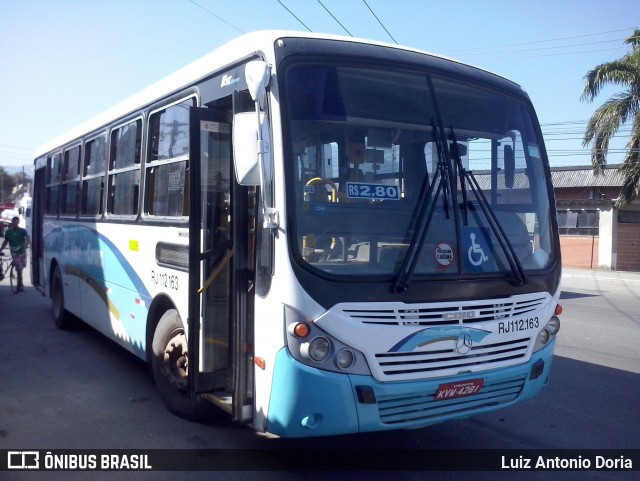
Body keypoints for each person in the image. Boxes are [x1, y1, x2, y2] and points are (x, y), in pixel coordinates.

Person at [1, 216, 30, 291]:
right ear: (12, 223)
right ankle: (19, 285)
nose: (15, 224)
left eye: (16, 223)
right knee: (19, 269)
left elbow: (28, 238)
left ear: (18, 223)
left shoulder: (22, 231)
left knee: (21, 268)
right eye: (14, 222)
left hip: (22, 252)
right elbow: (5, 241)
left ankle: (21, 284)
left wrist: (26, 244)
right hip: (14, 252)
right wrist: (1, 249)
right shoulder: (8, 232)